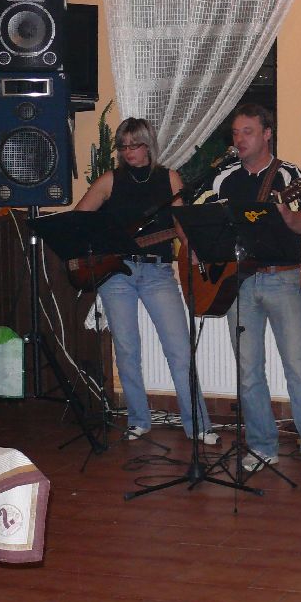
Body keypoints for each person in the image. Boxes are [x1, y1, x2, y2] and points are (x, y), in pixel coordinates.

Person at [208, 103, 301, 483]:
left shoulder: (289, 175)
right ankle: (262, 446)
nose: (239, 139)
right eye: (235, 133)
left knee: (299, 368)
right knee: (248, 372)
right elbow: (208, 225)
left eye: (247, 131)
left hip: (282, 280)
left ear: (267, 134)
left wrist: (288, 216)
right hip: (239, 283)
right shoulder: (224, 179)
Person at [74, 117, 215, 444]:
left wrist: (192, 249)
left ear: (148, 145)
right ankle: (139, 419)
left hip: (157, 271)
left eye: (134, 145)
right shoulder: (110, 181)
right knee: (127, 349)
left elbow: (180, 223)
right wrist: (103, 241)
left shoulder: (169, 178)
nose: (128, 152)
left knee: (179, 349)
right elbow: (79, 219)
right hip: (116, 273)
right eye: (123, 146)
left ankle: (198, 424)